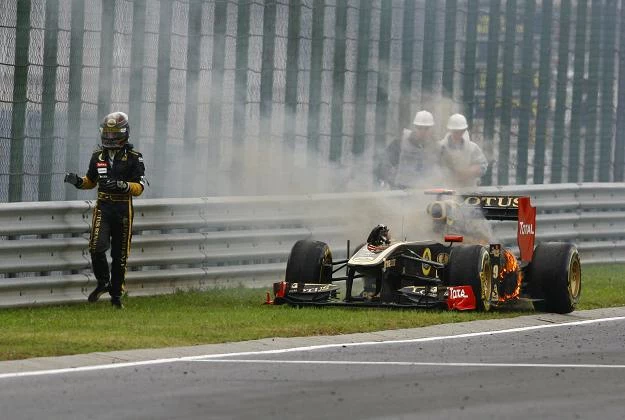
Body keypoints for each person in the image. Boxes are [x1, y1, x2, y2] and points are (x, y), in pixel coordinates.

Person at [64, 111, 146, 308]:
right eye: (106, 133)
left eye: (114, 133)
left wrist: (123, 186)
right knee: (95, 247)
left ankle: (116, 297)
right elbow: (90, 182)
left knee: (120, 255)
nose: (109, 137)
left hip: (123, 209)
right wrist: (77, 182)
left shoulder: (135, 158)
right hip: (103, 207)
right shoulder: (97, 156)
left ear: (124, 134)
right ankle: (103, 282)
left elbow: (140, 187)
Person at [374, 110, 440, 189]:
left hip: (424, 192)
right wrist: (389, 182)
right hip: (401, 191)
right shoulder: (400, 143)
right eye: (420, 128)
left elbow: (443, 170)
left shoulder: (435, 147)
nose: (423, 132)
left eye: (426, 128)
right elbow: (384, 164)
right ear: (414, 127)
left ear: (431, 129)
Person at [438, 113, 488, 188]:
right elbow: (432, 168)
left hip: (469, 190)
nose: (458, 134)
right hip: (446, 190)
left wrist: (472, 171)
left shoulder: (472, 148)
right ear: (450, 130)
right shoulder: (440, 147)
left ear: (464, 130)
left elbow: (483, 166)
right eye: (455, 131)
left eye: (460, 131)